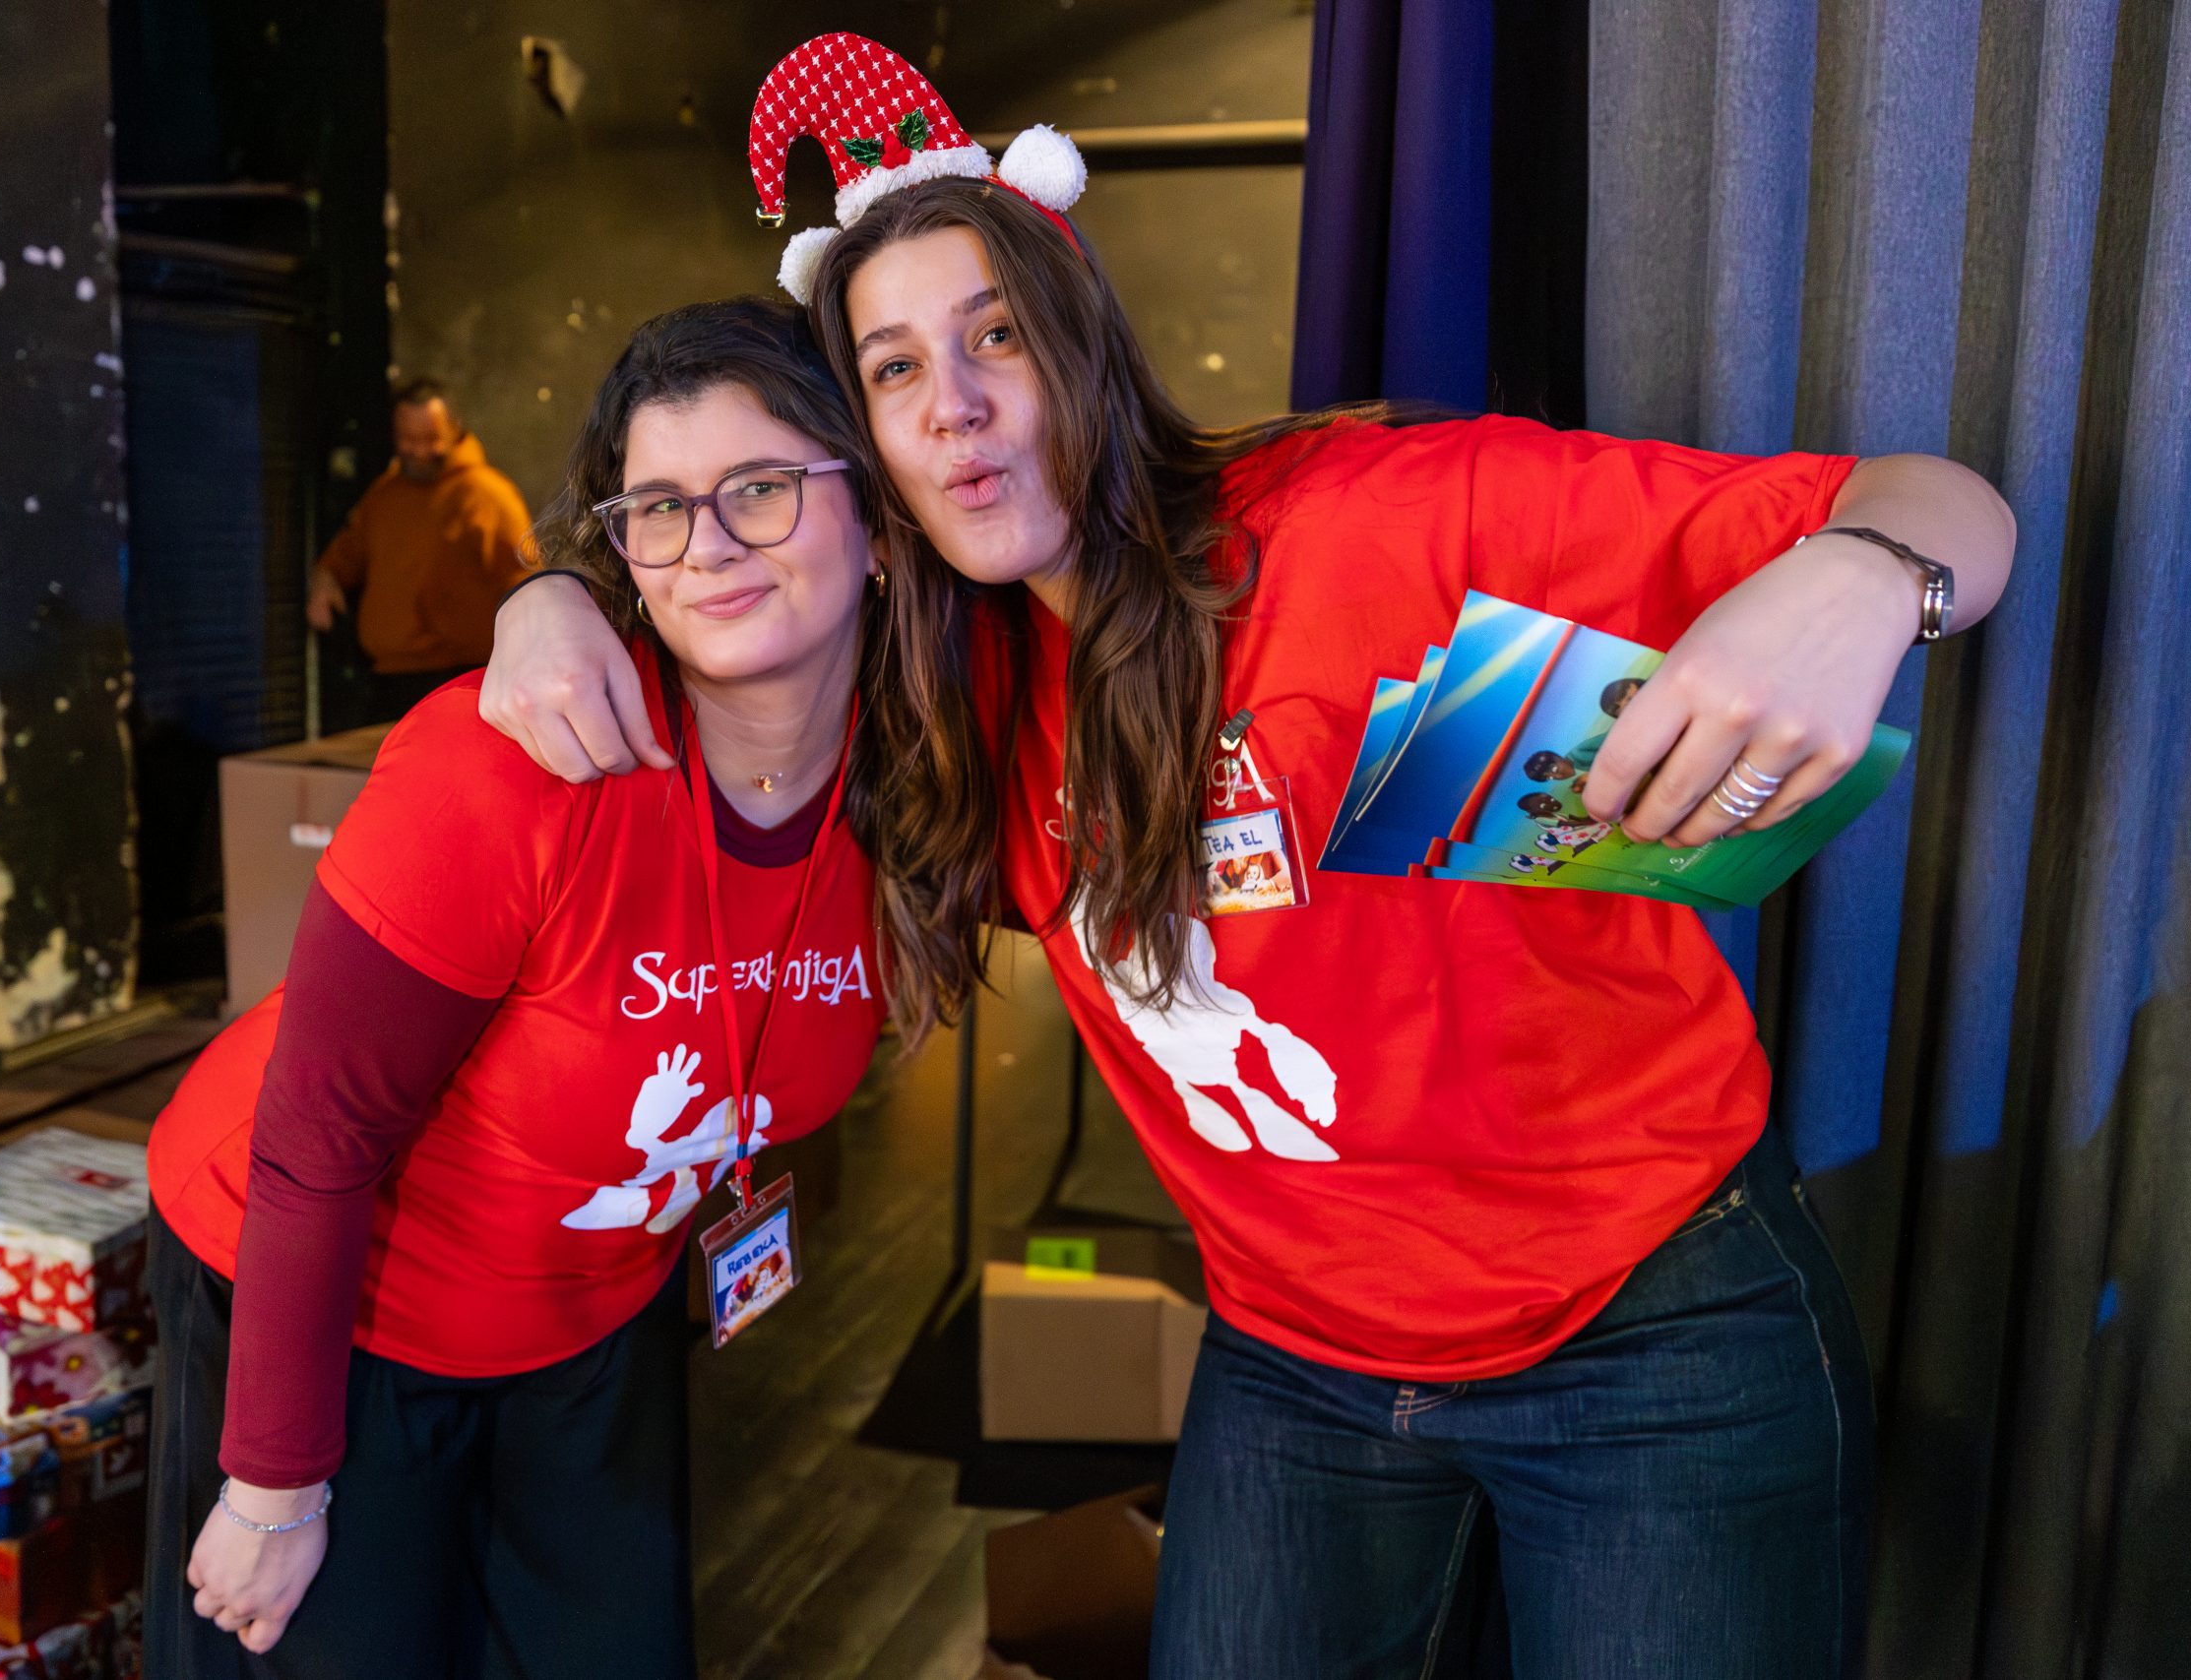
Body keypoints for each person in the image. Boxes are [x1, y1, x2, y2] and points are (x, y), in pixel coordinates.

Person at [472, 36, 2019, 1678]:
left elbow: (1941, 504)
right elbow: (713, 586)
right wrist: (552, 593)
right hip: (1300, 1362)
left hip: (1651, 1328)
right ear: (870, 449)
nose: (959, 403)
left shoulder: (1373, 531)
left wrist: (1863, 575)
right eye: (895, 368)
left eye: (997, 334)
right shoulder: (944, 697)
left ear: (1085, 342)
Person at [141, 299, 938, 1678]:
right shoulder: (518, 767)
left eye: (760, 487)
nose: (708, 546)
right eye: (659, 509)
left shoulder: (924, 774)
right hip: (331, 1296)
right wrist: (274, 1481)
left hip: (591, 1310)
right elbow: (316, 1137)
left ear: (877, 519)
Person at [306, 378, 539, 719]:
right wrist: (324, 578)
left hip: (463, 679)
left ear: (454, 431)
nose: (418, 451)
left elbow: (528, 584)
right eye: (408, 439)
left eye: (430, 439)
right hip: (388, 680)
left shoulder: (488, 496)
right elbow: (344, 556)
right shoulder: (384, 496)